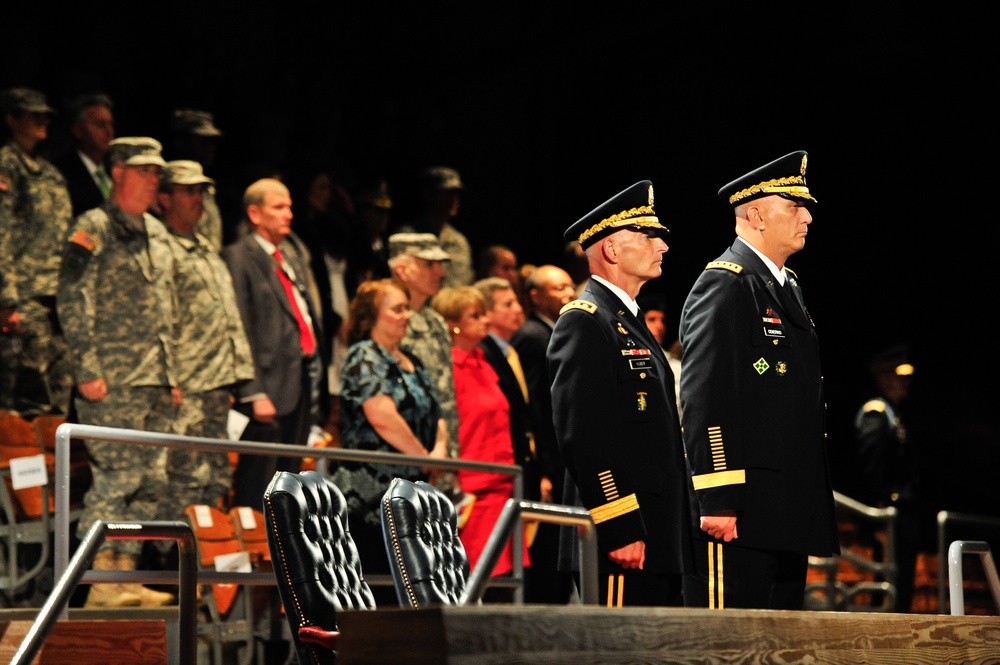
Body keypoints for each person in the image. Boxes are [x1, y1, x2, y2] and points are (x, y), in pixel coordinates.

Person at [679, 150, 839, 610]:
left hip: (786, 506)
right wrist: (717, 496)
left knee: (777, 647)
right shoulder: (727, 283)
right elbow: (706, 398)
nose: (807, 216)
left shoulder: (786, 285)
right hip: (741, 509)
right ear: (756, 215)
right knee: (724, 647)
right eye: (794, 206)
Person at [548, 180, 692, 608]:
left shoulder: (626, 321)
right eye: (648, 235)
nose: (662, 245)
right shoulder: (586, 321)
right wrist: (621, 523)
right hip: (625, 535)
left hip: (657, 532)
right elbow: (584, 436)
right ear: (611, 249)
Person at [56, 136, 178, 608]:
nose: (154, 181)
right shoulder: (93, 226)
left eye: (157, 173)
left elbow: (166, 306)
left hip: (154, 380)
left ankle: (126, 576)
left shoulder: (157, 232)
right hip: (111, 378)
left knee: (151, 480)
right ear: (117, 172)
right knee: (115, 480)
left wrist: (173, 375)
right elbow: (72, 296)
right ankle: (100, 581)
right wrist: (86, 365)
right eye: (145, 171)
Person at [329, 277, 448, 605]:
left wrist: (438, 454)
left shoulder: (412, 360)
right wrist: (425, 457)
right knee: (381, 590)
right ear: (372, 316)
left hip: (412, 489)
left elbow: (437, 414)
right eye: (397, 309)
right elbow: (382, 416)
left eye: (407, 308)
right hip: (372, 494)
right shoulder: (364, 355)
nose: (406, 315)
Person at [155, 160, 255, 518]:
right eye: (188, 191)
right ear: (163, 198)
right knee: (182, 477)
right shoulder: (158, 248)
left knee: (215, 477)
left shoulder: (205, 249)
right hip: (185, 384)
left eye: (201, 191)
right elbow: (156, 319)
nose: (198, 199)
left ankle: (206, 566)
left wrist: (234, 373)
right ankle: (171, 564)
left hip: (216, 382)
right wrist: (169, 378)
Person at [221, 177, 324, 507]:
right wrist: (253, 390)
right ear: (254, 214)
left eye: (290, 206)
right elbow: (240, 326)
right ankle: (252, 554)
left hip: (300, 380)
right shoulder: (238, 256)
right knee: (258, 482)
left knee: (289, 482)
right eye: (279, 207)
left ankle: (280, 552)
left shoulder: (291, 256)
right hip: (266, 389)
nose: (289, 214)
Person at [431, 285, 531, 581]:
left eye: (484, 313)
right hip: (472, 490)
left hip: (503, 484)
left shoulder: (483, 362)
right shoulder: (446, 369)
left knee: (507, 583)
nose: (485, 320)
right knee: (474, 581)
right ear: (452, 324)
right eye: (475, 315)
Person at [474, 276, 558, 602]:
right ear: (487, 312)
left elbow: (531, 412)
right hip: (500, 469)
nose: (517, 310)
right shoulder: (485, 353)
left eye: (516, 302)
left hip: (527, 464)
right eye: (506, 304)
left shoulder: (508, 351)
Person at [0, 87, 75, 417]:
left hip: (57, 296)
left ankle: (54, 467)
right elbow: (1, 232)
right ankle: (17, 466)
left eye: (46, 116)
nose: (43, 122)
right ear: (12, 119)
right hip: (25, 294)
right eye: (34, 116)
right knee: (25, 387)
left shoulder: (51, 173)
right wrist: (6, 298)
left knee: (58, 386)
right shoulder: (7, 165)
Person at [510, 263, 577, 603]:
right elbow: (536, 408)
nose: (568, 293)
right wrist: (548, 469)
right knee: (550, 547)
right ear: (534, 296)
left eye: (569, 286)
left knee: (563, 543)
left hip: (560, 457)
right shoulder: (532, 336)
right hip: (550, 461)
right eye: (557, 288)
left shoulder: (555, 330)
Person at [854, 344, 928, 612]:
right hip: (890, 516)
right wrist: (880, 512)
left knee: (901, 585)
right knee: (890, 588)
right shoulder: (877, 414)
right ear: (884, 377)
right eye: (900, 375)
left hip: (903, 515)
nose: (906, 382)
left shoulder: (892, 413)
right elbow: (872, 468)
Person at [387, 232, 460, 492]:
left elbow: (444, 397)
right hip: (402, 461)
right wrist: (422, 454)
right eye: (430, 264)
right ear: (402, 269)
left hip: (441, 455)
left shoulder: (435, 321)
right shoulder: (384, 320)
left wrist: (446, 450)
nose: (440, 272)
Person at [396, 166, 473, 288]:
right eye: (447, 193)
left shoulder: (459, 241)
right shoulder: (409, 237)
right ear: (429, 195)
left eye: (456, 194)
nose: (454, 200)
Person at [167, 109, 225, 250]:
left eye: (211, 141)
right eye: (202, 141)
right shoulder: (166, 183)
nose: (210, 148)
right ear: (182, 142)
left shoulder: (208, 187)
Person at [52, 92, 115, 218]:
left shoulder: (115, 169)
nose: (109, 132)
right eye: (101, 125)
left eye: (111, 124)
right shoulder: (61, 174)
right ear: (78, 130)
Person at [636, 293, 683, 418]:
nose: (660, 326)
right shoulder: (624, 358)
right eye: (651, 319)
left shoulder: (676, 365)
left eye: (662, 320)